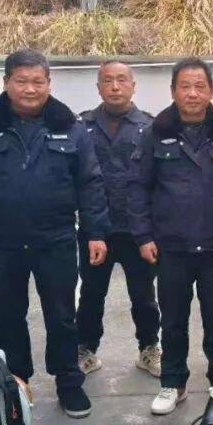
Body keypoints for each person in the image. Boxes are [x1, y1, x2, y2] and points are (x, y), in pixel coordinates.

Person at [0, 48, 109, 420]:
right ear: (7, 83)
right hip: (1, 240)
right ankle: (16, 382)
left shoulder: (70, 126)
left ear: (49, 83)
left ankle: (68, 382)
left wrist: (96, 232)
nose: (30, 89)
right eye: (21, 81)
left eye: (37, 82)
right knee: (6, 315)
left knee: (61, 314)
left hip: (56, 238)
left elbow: (90, 182)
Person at [127, 58, 213, 415]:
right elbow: (137, 187)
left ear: (212, 91)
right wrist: (142, 236)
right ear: (173, 91)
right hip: (171, 247)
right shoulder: (154, 132)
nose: (193, 93)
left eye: (200, 86)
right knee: (173, 321)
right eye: (185, 86)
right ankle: (173, 383)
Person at [76, 60, 162, 378]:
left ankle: (149, 348)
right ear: (98, 87)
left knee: (144, 295)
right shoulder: (81, 126)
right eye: (108, 81)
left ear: (133, 86)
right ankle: (85, 349)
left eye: (122, 80)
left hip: (138, 229)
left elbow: (158, 178)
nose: (115, 86)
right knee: (91, 294)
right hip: (95, 229)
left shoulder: (150, 127)